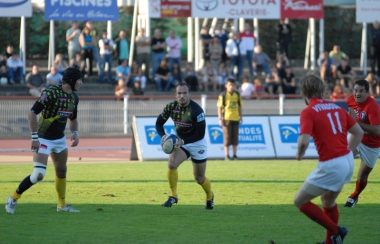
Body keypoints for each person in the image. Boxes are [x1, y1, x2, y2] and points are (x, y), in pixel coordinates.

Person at [294, 74, 363, 244]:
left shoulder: (308, 111)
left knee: (300, 201)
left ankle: (335, 231)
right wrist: (347, 151)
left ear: (304, 92)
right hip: (347, 161)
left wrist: (300, 153)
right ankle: (330, 241)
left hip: (331, 164)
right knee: (328, 200)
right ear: (321, 90)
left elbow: (303, 140)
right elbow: (359, 133)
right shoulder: (336, 108)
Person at [5, 67, 84, 215]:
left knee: (62, 170)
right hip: (43, 138)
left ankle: (62, 205)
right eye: (79, 79)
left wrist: (75, 133)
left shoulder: (74, 98)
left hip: (59, 139)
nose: (81, 83)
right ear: (72, 80)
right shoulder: (51, 92)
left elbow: (73, 119)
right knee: (38, 175)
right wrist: (34, 137)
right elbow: (32, 113)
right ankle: (13, 198)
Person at [155, 83, 214, 210]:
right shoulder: (171, 107)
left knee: (199, 178)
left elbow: (200, 134)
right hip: (181, 142)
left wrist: (183, 141)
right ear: (175, 95)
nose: (182, 96)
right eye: (179, 93)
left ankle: (209, 195)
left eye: (184, 93)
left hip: (197, 143)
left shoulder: (197, 111)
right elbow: (159, 123)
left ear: (189, 94)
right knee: (171, 164)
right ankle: (173, 196)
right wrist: (163, 136)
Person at [344, 79, 380, 208]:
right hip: (357, 137)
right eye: (355, 90)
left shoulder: (372, 106)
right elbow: (351, 116)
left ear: (367, 92)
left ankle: (354, 196)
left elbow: (377, 130)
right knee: (342, 157)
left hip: (372, 145)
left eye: (361, 91)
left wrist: (356, 122)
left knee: (362, 176)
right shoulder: (350, 100)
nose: (357, 94)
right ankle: (328, 188)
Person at [217, 78, 243, 160]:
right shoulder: (223, 95)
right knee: (227, 137)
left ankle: (235, 155)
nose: (231, 87)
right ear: (226, 86)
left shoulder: (237, 95)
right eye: (230, 85)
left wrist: (241, 117)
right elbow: (219, 107)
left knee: (235, 137)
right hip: (226, 118)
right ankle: (227, 155)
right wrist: (220, 118)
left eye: (233, 85)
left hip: (235, 118)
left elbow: (240, 106)